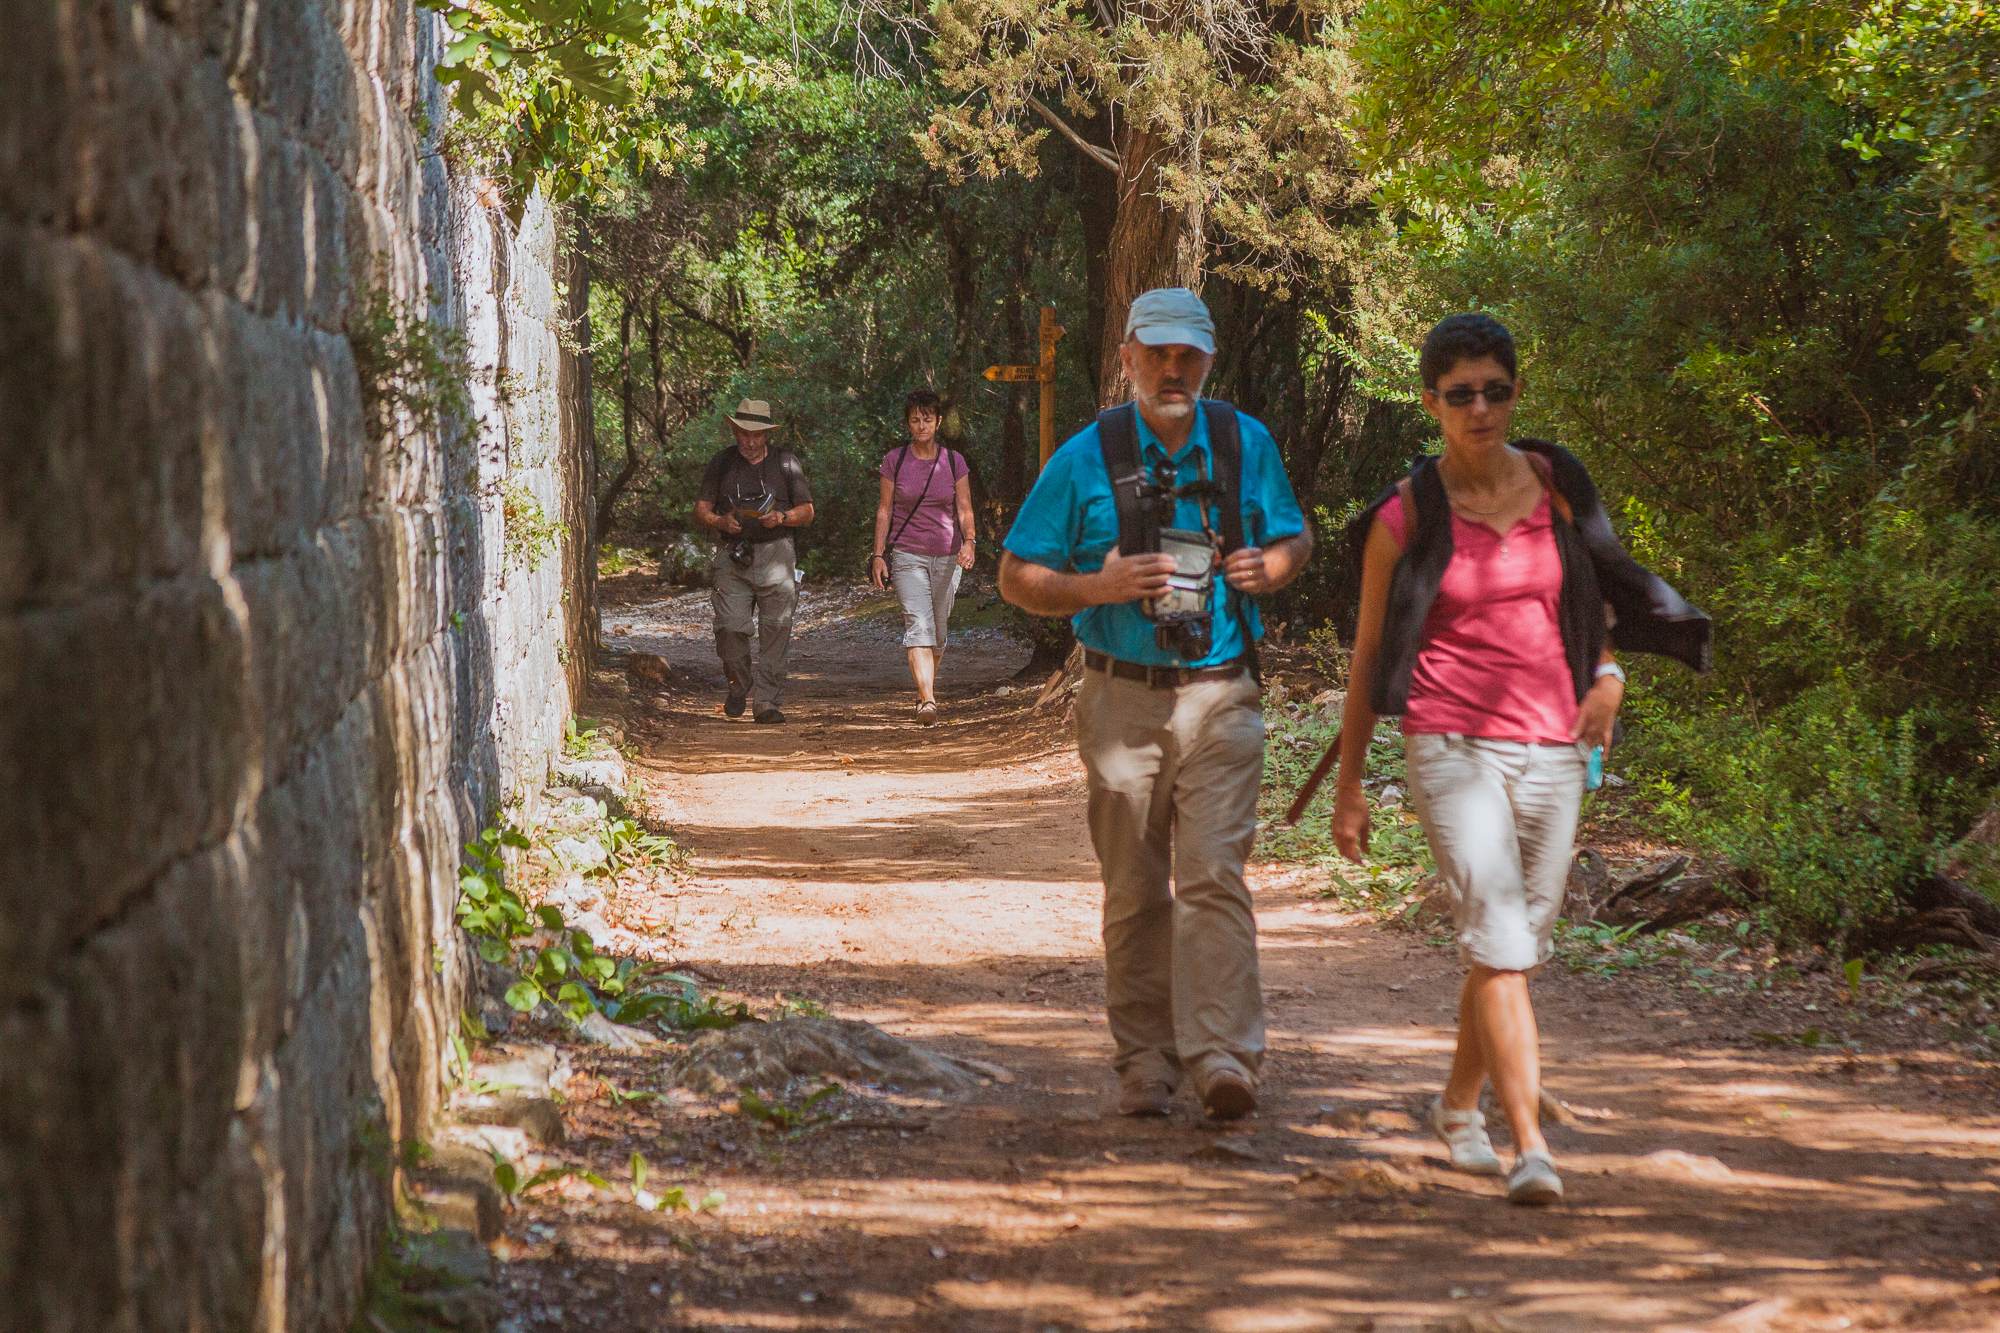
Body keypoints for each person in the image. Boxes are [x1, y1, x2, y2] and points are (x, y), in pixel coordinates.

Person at [1334, 313, 1710, 1204]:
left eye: (1495, 390)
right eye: (1460, 393)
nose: (1480, 408)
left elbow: (1600, 594)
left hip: (1554, 742)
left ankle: (1459, 1106)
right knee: (1501, 942)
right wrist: (1349, 784)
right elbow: (1365, 658)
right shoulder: (1405, 516)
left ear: (1514, 393)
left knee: (1510, 949)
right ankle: (1530, 1146)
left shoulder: (1556, 483)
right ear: (1431, 403)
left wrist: (1610, 672)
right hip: (1449, 739)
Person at [1000, 287, 1313, 1121]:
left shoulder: (1246, 444)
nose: (1174, 370)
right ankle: (1145, 1058)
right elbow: (1015, 574)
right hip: (1119, 698)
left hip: (1222, 693)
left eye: (1190, 355)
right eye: (1159, 353)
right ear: (1129, 356)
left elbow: (1294, 536)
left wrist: (1269, 570)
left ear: (1210, 360)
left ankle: (1223, 1057)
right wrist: (1095, 585)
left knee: (1214, 876)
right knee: (1136, 886)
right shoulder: (1083, 458)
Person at [693, 398, 815, 724]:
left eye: (756, 435)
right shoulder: (722, 462)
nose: (749, 441)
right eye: (744, 433)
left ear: (767, 435)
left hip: (777, 552)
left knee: (777, 629)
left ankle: (767, 703)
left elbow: (807, 511)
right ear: (735, 431)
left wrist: (782, 517)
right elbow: (702, 508)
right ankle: (738, 684)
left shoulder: (786, 463)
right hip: (732, 556)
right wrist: (720, 522)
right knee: (730, 627)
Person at [869, 390, 977, 724]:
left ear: (938, 421)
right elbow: (885, 510)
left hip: (947, 556)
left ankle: (923, 692)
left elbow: (964, 508)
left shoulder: (954, 461)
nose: (921, 425)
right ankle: (928, 700)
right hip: (907, 555)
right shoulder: (895, 461)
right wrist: (878, 554)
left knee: (939, 633)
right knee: (918, 624)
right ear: (908, 424)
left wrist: (970, 542)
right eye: (915, 419)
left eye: (927, 418)